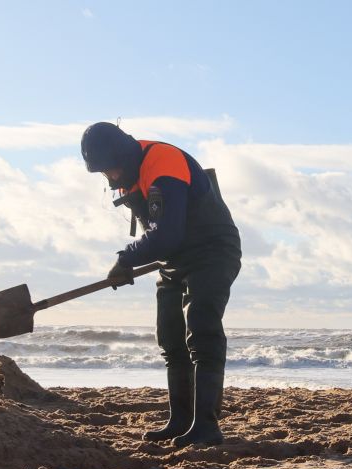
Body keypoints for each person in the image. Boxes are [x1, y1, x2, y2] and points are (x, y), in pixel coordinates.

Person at [80, 121, 242, 447]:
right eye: (103, 173)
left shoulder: (163, 163)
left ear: (122, 155)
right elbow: (160, 234)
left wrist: (126, 260)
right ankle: (180, 421)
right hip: (173, 262)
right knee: (171, 338)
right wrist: (133, 260)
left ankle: (206, 427)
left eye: (110, 169)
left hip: (212, 254)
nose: (110, 178)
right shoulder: (130, 175)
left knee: (202, 331)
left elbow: (167, 234)